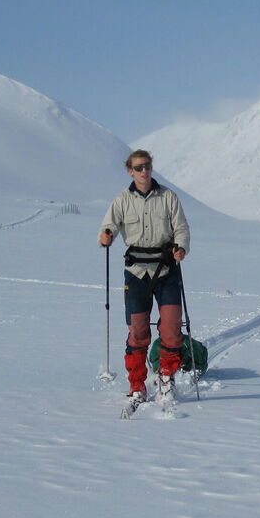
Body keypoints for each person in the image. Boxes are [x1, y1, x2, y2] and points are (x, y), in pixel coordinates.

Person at [99, 150, 190, 404]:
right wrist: (106, 236)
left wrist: (180, 247)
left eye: (147, 166)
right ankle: (137, 384)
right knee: (138, 331)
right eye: (138, 167)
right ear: (130, 170)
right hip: (136, 272)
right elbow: (109, 226)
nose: (144, 171)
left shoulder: (168, 197)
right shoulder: (122, 200)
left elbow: (181, 227)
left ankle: (166, 377)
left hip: (167, 269)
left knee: (171, 328)